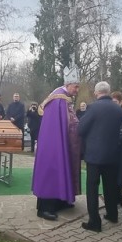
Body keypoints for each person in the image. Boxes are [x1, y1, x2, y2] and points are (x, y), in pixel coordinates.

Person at [31, 67, 82, 220]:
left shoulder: (64, 97)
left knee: (61, 168)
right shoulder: (58, 98)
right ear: (68, 84)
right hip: (53, 143)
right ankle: (45, 208)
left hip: (62, 140)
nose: (77, 90)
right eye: (76, 86)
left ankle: (60, 201)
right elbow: (58, 124)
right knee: (52, 171)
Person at [78, 82, 122, 232]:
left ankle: (94, 222)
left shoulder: (93, 107)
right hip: (113, 153)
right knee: (110, 186)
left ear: (96, 93)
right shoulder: (118, 108)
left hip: (95, 154)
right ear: (108, 92)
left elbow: (81, 129)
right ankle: (112, 214)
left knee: (92, 188)